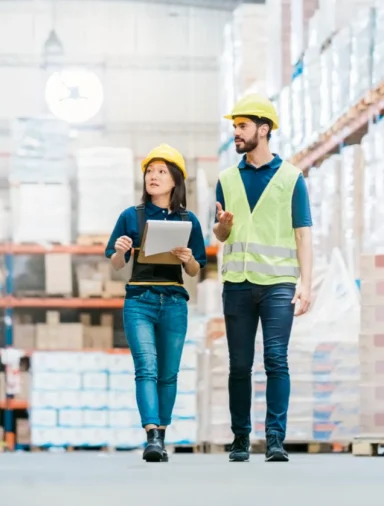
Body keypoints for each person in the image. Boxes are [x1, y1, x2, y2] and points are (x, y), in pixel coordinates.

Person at [213, 94, 313, 463]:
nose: (236, 133)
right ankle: (240, 438)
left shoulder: (291, 178)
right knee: (239, 365)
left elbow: (303, 233)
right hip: (237, 284)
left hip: (278, 285)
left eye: (242, 126)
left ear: (264, 128)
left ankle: (274, 439)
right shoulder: (226, 179)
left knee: (276, 359)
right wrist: (221, 228)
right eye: (235, 127)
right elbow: (221, 236)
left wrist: (306, 283)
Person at [106, 144, 206, 462]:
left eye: (162, 171)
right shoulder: (130, 216)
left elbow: (195, 270)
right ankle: (151, 436)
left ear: (175, 180)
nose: (154, 176)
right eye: (150, 171)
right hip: (140, 301)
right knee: (146, 369)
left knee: (168, 374)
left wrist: (188, 258)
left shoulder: (187, 221)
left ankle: (161, 436)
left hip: (175, 302)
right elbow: (116, 264)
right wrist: (121, 250)